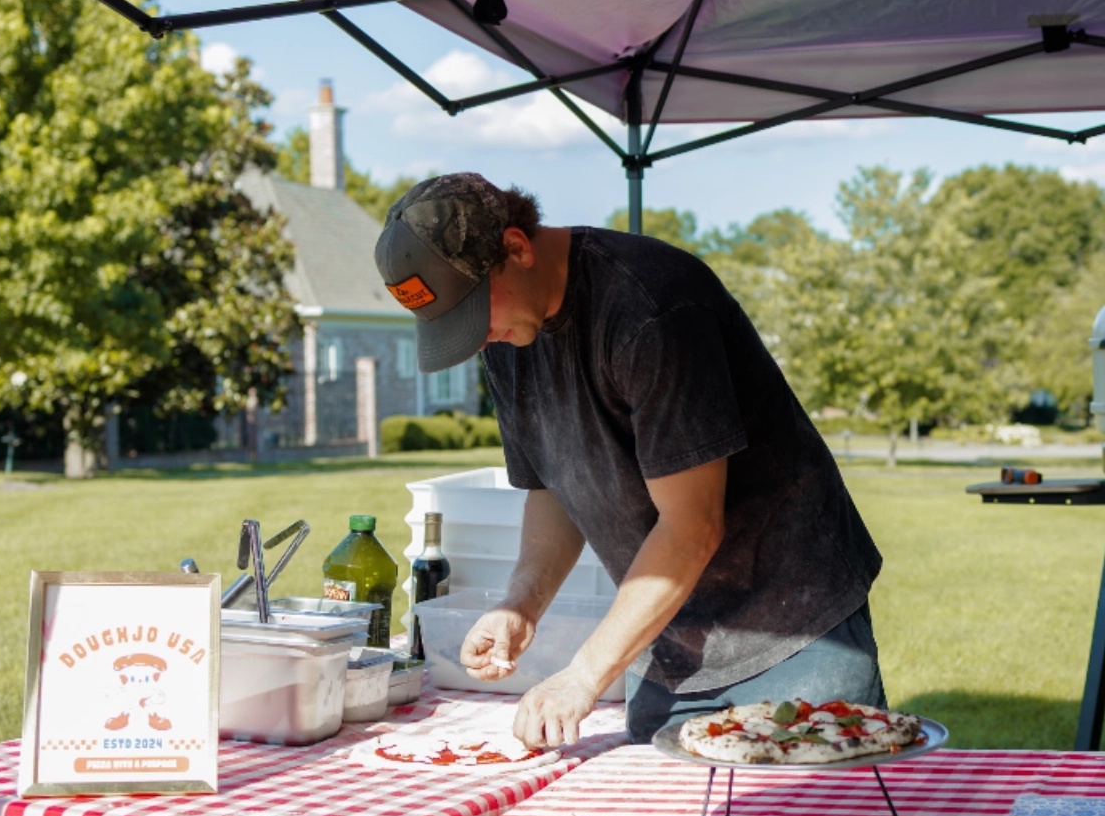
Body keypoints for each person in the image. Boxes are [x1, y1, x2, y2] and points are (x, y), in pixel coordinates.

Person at [374, 173, 883, 747]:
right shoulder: (508, 337)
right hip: (665, 636)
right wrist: (521, 603)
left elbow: (692, 527)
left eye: (472, 314)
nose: (477, 339)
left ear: (516, 247)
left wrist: (586, 674)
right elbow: (553, 486)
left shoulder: (650, 308)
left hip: (792, 627)